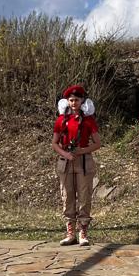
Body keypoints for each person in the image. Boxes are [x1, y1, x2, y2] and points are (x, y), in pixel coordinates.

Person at [53, 84, 101, 246]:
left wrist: (82, 151)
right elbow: (54, 143)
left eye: (77, 100)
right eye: (71, 100)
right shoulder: (61, 120)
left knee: (84, 196)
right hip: (66, 162)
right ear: (67, 101)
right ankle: (70, 232)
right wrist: (65, 154)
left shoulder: (88, 120)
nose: (74, 103)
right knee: (67, 196)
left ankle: (83, 231)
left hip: (84, 162)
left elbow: (97, 143)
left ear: (82, 101)